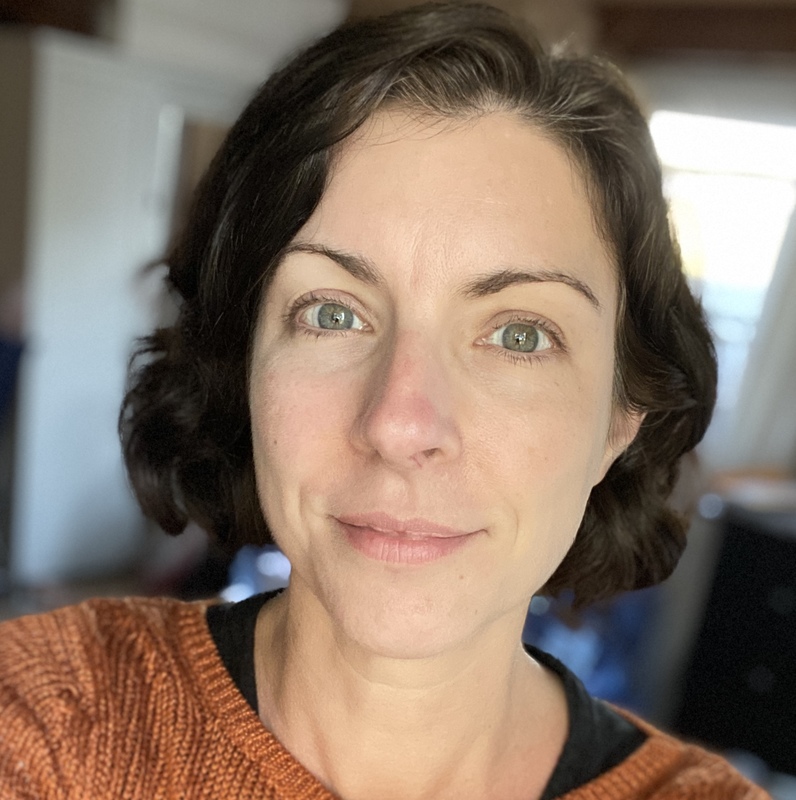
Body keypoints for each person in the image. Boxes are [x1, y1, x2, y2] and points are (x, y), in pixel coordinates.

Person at [0, 3, 769, 798]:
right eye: (332, 314)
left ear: (622, 415)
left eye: (519, 335)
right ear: (245, 366)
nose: (401, 423)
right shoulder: (43, 722)